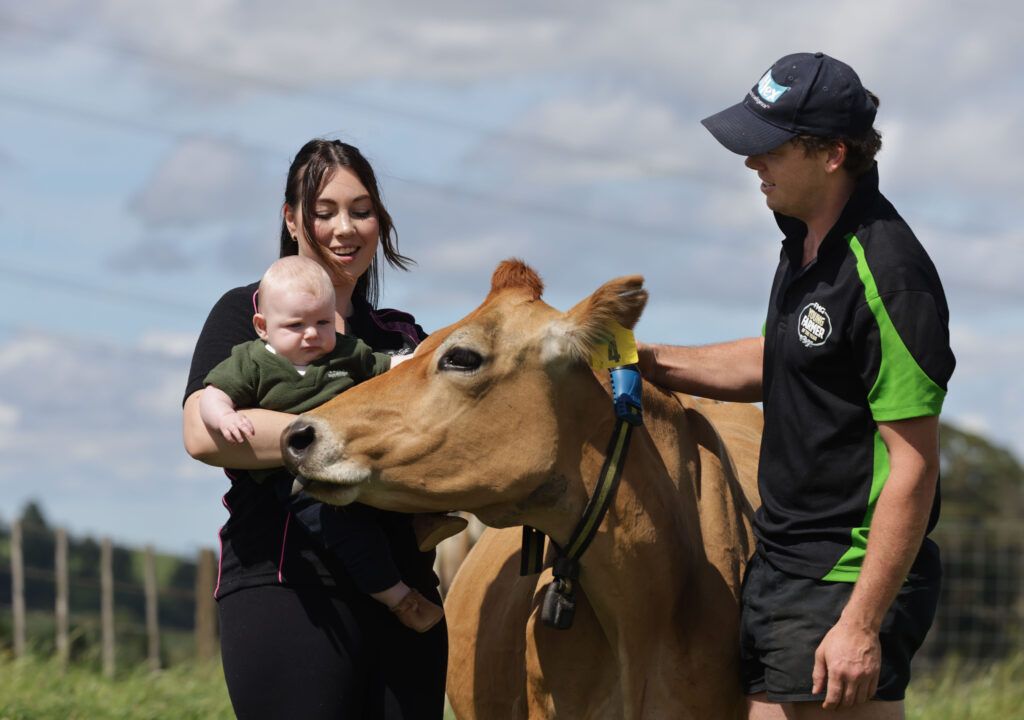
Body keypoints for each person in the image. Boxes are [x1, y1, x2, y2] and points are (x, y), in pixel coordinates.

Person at [638, 53, 954, 719]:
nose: (753, 164)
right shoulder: (805, 241)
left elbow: (914, 467)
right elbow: (781, 361)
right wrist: (647, 359)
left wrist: (861, 625)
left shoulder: (888, 275)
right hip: (782, 561)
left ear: (833, 153)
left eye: (770, 148)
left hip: (844, 576)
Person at [183, 139, 450, 719]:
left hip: (407, 597)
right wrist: (348, 440)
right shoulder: (246, 313)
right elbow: (203, 435)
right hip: (288, 587)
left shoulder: (400, 339)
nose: (344, 228)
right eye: (323, 211)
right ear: (291, 219)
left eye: (361, 210)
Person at [199, 254, 444, 633]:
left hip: (357, 460)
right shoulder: (253, 362)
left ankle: (425, 518)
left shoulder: (344, 353)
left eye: (322, 322)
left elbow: (390, 367)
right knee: (348, 531)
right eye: (296, 325)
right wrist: (225, 417)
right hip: (301, 480)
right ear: (262, 327)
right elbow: (213, 396)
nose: (312, 334)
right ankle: (398, 598)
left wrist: (429, 358)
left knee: (407, 463)